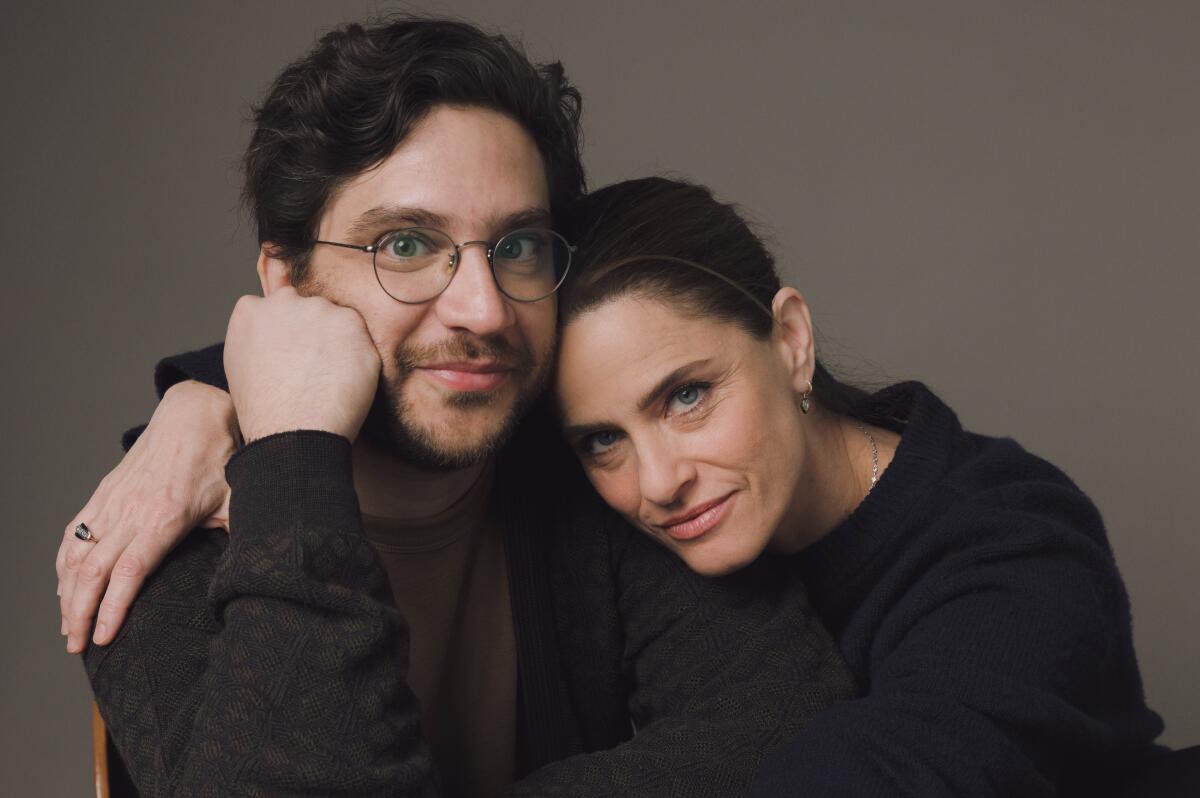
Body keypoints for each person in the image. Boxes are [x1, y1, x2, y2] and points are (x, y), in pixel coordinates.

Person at [81, 171, 1167, 797]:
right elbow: (427, 366)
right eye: (599, 440)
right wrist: (210, 398)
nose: (657, 479)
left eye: (689, 395)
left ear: (790, 340)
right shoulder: (633, 524)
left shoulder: (1010, 546)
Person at [59, 16, 853, 798]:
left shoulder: (600, 461)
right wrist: (295, 453)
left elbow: (782, 716)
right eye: (405, 244)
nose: (484, 308)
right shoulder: (150, 535)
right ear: (286, 282)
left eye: (516, 247)